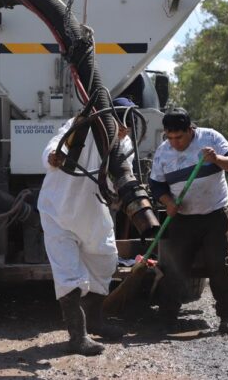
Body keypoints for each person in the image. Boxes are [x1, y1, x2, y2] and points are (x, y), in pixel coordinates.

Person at [37, 106, 133, 356]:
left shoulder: (122, 141)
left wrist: (120, 141)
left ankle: (95, 322)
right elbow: (55, 145)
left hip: (94, 215)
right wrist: (53, 157)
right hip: (59, 213)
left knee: (105, 263)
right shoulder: (76, 126)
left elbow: (122, 172)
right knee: (68, 274)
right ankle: (78, 337)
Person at [149, 108, 228, 333]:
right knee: (174, 266)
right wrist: (168, 202)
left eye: (179, 137)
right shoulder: (163, 153)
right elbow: (157, 185)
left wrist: (217, 159)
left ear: (191, 130)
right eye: (169, 137)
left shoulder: (210, 138)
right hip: (183, 218)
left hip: (215, 214)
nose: (174, 143)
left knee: (218, 264)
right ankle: (167, 317)